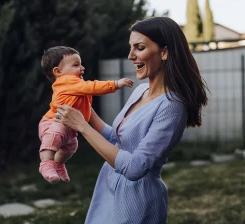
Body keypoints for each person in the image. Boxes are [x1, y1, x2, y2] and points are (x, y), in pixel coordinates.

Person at [55, 17, 208, 223]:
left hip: (137, 199)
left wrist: (81, 126)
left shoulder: (172, 106)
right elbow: (118, 139)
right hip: (108, 187)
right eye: (131, 48)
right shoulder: (140, 91)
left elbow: (136, 167)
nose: (130, 56)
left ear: (164, 52)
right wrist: (84, 109)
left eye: (140, 47)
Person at [39, 46, 134, 184]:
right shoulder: (67, 81)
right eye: (76, 65)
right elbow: (93, 87)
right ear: (58, 72)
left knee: (71, 147)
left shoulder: (75, 85)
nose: (82, 68)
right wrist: (115, 84)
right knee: (54, 136)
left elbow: (86, 106)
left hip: (69, 127)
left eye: (81, 64)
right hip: (53, 122)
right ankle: (46, 164)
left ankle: (58, 164)